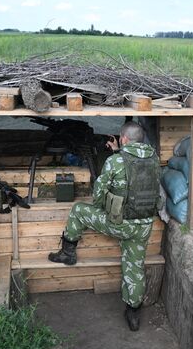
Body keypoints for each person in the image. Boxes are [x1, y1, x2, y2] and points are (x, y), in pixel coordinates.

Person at [48, 121, 161, 331]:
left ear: (124, 138)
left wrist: (101, 209)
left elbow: (99, 194)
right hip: (144, 225)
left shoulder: (115, 161)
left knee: (79, 210)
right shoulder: (154, 159)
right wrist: (119, 152)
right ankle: (133, 313)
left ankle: (68, 252)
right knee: (134, 268)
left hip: (118, 223)